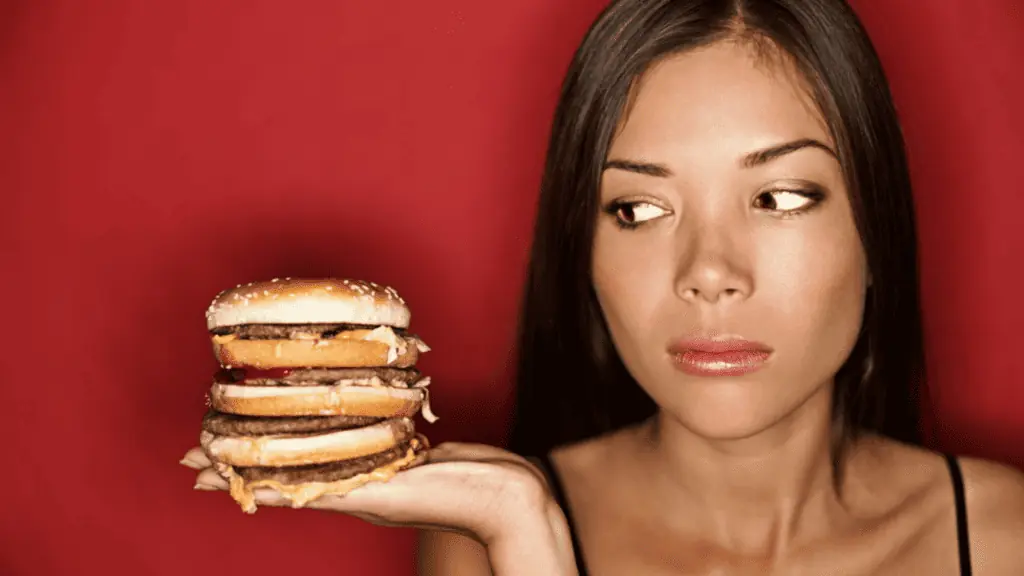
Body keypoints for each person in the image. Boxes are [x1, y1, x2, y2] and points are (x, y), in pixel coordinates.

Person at [185, 0, 1024, 573]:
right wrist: (525, 532)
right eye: (639, 208)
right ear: (580, 251)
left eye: (778, 198)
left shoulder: (1002, 539)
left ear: (874, 225)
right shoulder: (479, 539)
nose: (708, 273)